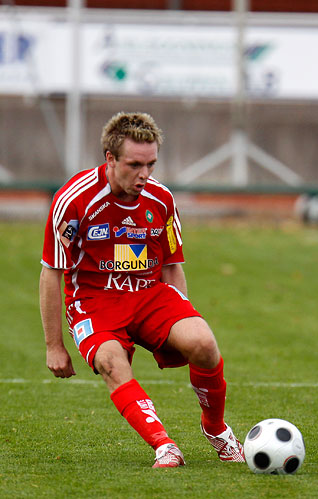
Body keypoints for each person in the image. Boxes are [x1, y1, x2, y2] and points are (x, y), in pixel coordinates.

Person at [39, 112, 245, 468]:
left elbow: (171, 265)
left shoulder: (162, 200)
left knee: (203, 343)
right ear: (110, 159)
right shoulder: (74, 201)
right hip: (94, 302)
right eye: (135, 164)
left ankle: (216, 429)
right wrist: (54, 346)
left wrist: (183, 319)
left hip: (150, 295)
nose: (144, 174)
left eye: (151, 164)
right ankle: (164, 445)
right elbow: (51, 273)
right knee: (110, 360)